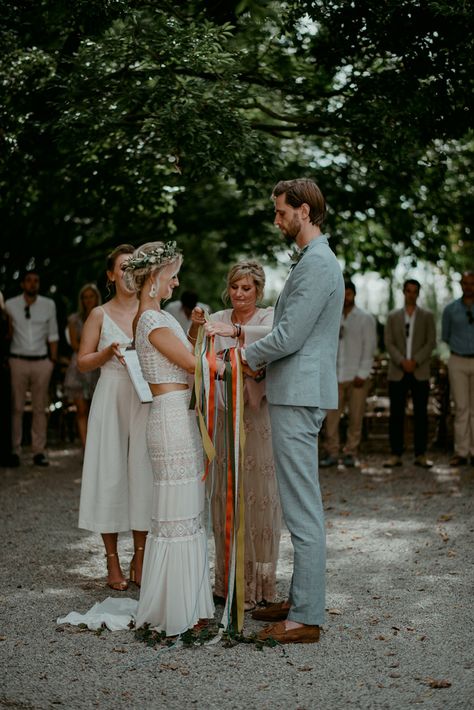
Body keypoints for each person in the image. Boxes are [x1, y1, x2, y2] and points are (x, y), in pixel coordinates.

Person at [221, 178, 344, 645]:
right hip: (293, 388)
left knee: (301, 506)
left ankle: (305, 618)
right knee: (299, 501)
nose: (276, 219)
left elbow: (289, 335)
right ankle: (300, 597)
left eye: (280, 212)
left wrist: (243, 358)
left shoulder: (317, 264)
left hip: (298, 393)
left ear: (304, 211)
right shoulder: (312, 261)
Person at [123, 241, 214, 635]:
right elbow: (192, 364)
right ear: (155, 279)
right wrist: (239, 363)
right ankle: (178, 612)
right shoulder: (152, 322)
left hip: (179, 416)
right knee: (177, 514)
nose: (177, 283)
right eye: (172, 275)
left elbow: (183, 356)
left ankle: (187, 605)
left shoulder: (154, 318)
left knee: (183, 512)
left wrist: (194, 328)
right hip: (172, 420)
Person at [191, 260, 281, 610]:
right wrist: (197, 328)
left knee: (258, 495)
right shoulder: (218, 317)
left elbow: (271, 344)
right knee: (226, 493)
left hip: (256, 417)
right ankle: (228, 580)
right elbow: (197, 357)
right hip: (224, 415)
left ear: (258, 290)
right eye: (235, 287)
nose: (240, 294)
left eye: (247, 288)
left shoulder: (267, 317)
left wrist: (234, 336)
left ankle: (258, 584)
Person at [78, 245, 153, 592]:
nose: (127, 274)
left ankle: (140, 557)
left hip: (143, 399)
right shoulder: (98, 314)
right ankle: (112, 561)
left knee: (142, 473)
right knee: (109, 475)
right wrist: (107, 352)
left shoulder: (150, 310)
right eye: (121, 268)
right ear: (110, 274)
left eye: (133, 268)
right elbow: (82, 362)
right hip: (110, 396)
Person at [320, 279, 377, 468]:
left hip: (356, 377)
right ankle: (332, 452)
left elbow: (369, 348)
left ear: (354, 294)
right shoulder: (330, 316)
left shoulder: (365, 318)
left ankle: (351, 452)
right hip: (334, 375)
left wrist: (363, 373)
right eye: (343, 294)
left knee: (355, 417)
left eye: (349, 293)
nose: (346, 297)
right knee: (331, 419)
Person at [5, 269, 59, 467]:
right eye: (28, 280)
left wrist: (51, 362)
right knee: (16, 407)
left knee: (39, 408)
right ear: (22, 284)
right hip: (17, 360)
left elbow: (53, 334)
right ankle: (14, 450)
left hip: (42, 362)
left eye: (36, 280)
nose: (32, 284)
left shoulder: (48, 305)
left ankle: (39, 451)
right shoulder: (10, 305)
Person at [383, 279, 436, 469]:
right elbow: (388, 342)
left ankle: (420, 454)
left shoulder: (427, 316)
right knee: (396, 414)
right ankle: (395, 454)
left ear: (418, 293)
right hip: (397, 371)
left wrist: (415, 361)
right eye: (408, 291)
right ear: (403, 292)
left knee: (421, 414)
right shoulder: (392, 316)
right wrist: (401, 361)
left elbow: (431, 342)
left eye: (414, 291)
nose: (411, 294)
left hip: (419, 371)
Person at [442, 270, 474, 466]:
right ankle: (461, 452)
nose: (468, 286)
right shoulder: (451, 309)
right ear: (461, 285)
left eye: (472, 283)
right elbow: (445, 336)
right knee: (461, 407)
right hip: (458, 360)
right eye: (465, 283)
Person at [63, 284, 101, 449]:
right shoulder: (74, 319)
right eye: (84, 297)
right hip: (79, 367)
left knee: (97, 410)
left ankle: (98, 447)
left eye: (91, 296)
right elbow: (75, 344)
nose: (88, 300)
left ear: (96, 297)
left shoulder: (104, 316)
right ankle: (86, 448)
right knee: (81, 410)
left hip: (98, 366)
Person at [0, 291, 15, 467]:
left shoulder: (6, 317)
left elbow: (9, 337)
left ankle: (5, 453)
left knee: (4, 410)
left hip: (2, 367)